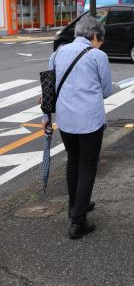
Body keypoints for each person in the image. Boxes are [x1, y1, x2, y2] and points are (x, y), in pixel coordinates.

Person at [44, 16, 112, 239]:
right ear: (94, 36)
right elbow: (106, 91)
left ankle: (76, 204)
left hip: (66, 120)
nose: (100, 44)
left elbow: (48, 89)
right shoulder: (97, 56)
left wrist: (46, 117)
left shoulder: (57, 53)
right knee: (87, 165)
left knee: (73, 160)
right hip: (90, 120)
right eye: (99, 40)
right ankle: (78, 221)